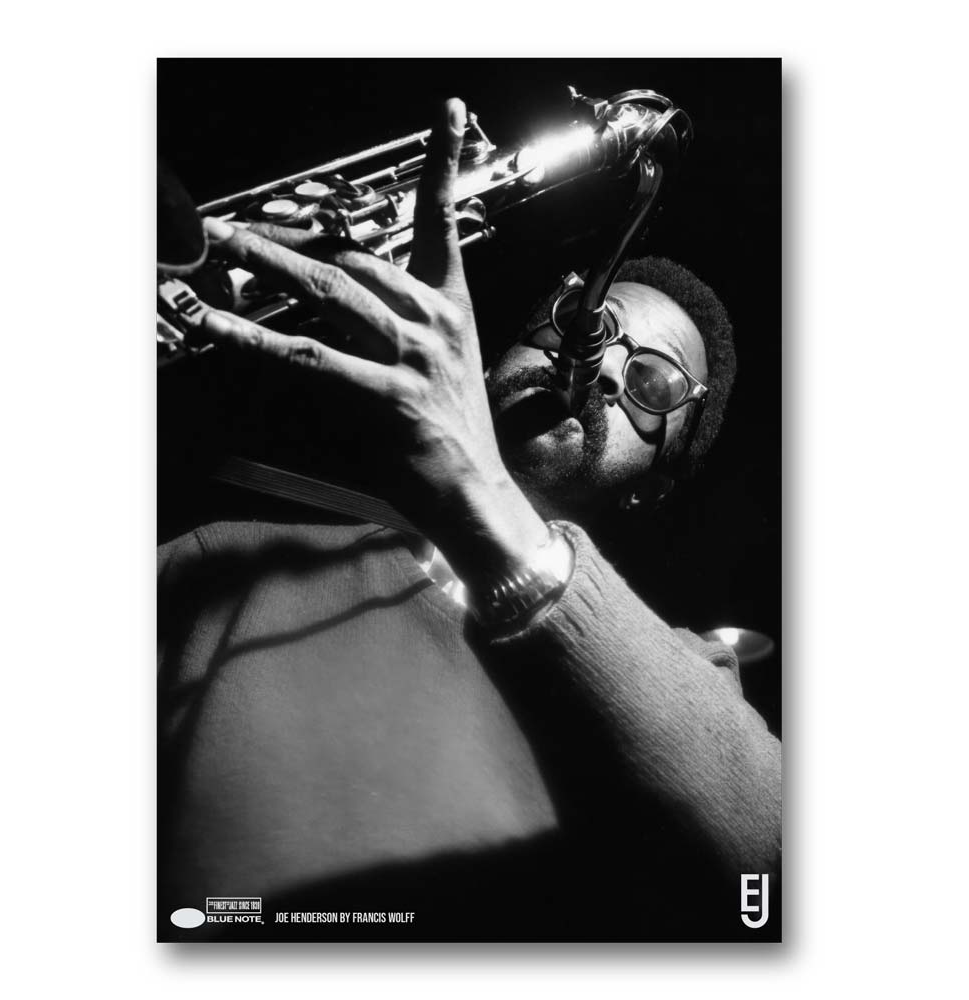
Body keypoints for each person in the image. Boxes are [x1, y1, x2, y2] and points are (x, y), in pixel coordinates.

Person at [158, 99, 781, 942]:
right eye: (582, 320)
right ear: (483, 363)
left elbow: (774, 867)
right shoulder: (219, 563)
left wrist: (481, 497)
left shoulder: (697, 674)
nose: (596, 362)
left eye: (654, 384)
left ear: (654, 488)